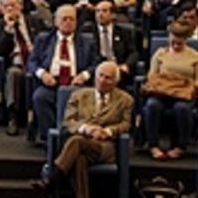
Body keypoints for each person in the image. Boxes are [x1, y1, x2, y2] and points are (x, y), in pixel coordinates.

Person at [29, 61, 133, 197]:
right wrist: (87, 129)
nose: (102, 80)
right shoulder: (78, 95)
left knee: (76, 142)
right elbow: (68, 121)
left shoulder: (125, 100)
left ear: (115, 82)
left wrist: (107, 131)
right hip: (81, 141)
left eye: (107, 78)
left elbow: (126, 124)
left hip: (104, 146)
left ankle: (52, 179)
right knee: (79, 158)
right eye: (100, 76)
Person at [28, 5, 98, 143]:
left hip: (76, 85)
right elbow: (32, 62)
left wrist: (84, 75)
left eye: (71, 19)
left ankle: (68, 137)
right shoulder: (44, 39)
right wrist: (43, 74)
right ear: (56, 22)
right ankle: (51, 137)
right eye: (64, 19)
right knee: (39, 97)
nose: (68, 22)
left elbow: (96, 64)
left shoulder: (87, 41)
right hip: (51, 84)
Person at [143, 20, 198, 159]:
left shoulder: (196, 57)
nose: (176, 46)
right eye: (173, 42)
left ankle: (180, 146)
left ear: (186, 39)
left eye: (179, 43)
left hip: (183, 94)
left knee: (182, 108)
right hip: (162, 92)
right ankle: (153, 145)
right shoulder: (160, 53)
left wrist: (181, 82)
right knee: (152, 105)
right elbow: (152, 76)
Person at [0, 0, 48, 135]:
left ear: (21, 6)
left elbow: (47, 44)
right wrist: (8, 30)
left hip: (38, 64)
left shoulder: (35, 21)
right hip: (17, 65)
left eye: (13, 5)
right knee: (13, 74)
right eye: (6, 6)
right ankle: (12, 118)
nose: (10, 9)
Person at [86, 0, 138, 87]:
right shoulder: (88, 31)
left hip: (117, 68)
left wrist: (127, 65)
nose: (100, 14)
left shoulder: (124, 32)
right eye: (97, 11)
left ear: (113, 15)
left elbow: (133, 52)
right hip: (96, 69)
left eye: (104, 11)